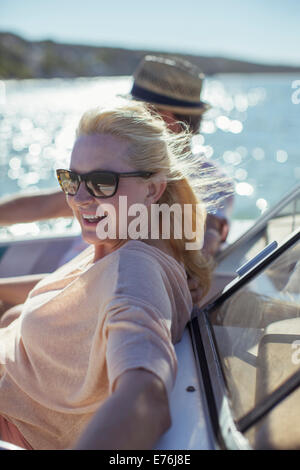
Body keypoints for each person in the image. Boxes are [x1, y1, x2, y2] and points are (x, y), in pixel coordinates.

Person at [0, 100, 214, 450]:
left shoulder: (135, 270)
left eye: (102, 181)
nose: (80, 198)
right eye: (72, 179)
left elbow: (145, 395)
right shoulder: (118, 238)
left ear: (153, 189)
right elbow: (75, 294)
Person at [0, 55, 233, 264]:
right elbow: (44, 205)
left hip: (90, 291)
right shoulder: (124, 164)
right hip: (70, 282)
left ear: (165, 120)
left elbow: (208, 227)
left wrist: (196, 265)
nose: (128, 117)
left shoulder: (207, 178)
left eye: (137, 111)